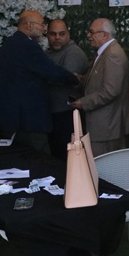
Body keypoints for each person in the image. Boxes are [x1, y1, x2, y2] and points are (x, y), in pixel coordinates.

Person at [0, 10, 78, 153]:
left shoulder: (8, 45)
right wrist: (75, 79)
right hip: (28, 120)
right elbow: (52, 72)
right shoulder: (27, 46)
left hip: (9, 120)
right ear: (29, 25)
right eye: (41, 24)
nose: (44, 29)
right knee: (39, 160)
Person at [70, 18, 129, 157]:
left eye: (92, 32)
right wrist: (81, 79)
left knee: (103, 166)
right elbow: (102, 81)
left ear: (104, 34)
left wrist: (83, 103)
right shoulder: (106, 52)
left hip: (107, 127)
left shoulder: (112, 54)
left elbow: (110, 91)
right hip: (105, 127)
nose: (88, 36)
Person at [46, 19, 89, 160]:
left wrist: (41, 76)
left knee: (67, 159)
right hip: (53, 114)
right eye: (53, 34)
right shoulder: (47, 53)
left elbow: (65, 78)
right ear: (47, 35)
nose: (57, 37)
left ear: (68, 35)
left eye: (61, 34)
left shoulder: (73, 53)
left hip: (68, 114)